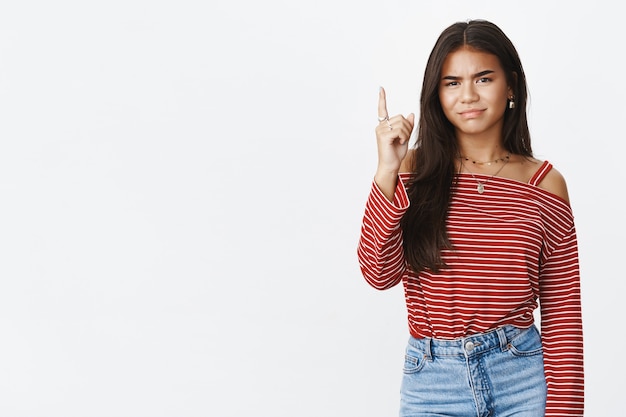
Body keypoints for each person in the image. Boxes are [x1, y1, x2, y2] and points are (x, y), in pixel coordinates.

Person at [357, 20, 584, 416]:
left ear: (510, 85)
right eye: (452, 83)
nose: (468, 96)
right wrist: (386, 173)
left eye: (483, 78)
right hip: (432, 385)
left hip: (523, 381)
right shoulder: (411, 171)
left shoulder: (545, 185)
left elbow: (563, 314)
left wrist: (566, 410)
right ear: (437, 93)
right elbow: (379, 275)